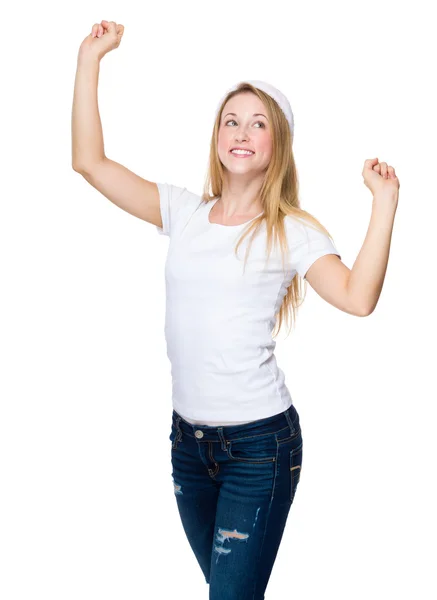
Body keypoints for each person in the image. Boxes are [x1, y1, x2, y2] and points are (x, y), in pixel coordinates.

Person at [72, 20, 400, 600]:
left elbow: (357, 297)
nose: (242, 131)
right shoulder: (183, 212)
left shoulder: (291, 232)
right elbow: (90, 164)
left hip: (260, 448)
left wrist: (384, 203)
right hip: (187, 446)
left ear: (278, 145)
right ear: (217, 138)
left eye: (258, 122)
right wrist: (90, 59)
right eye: (231, 120)